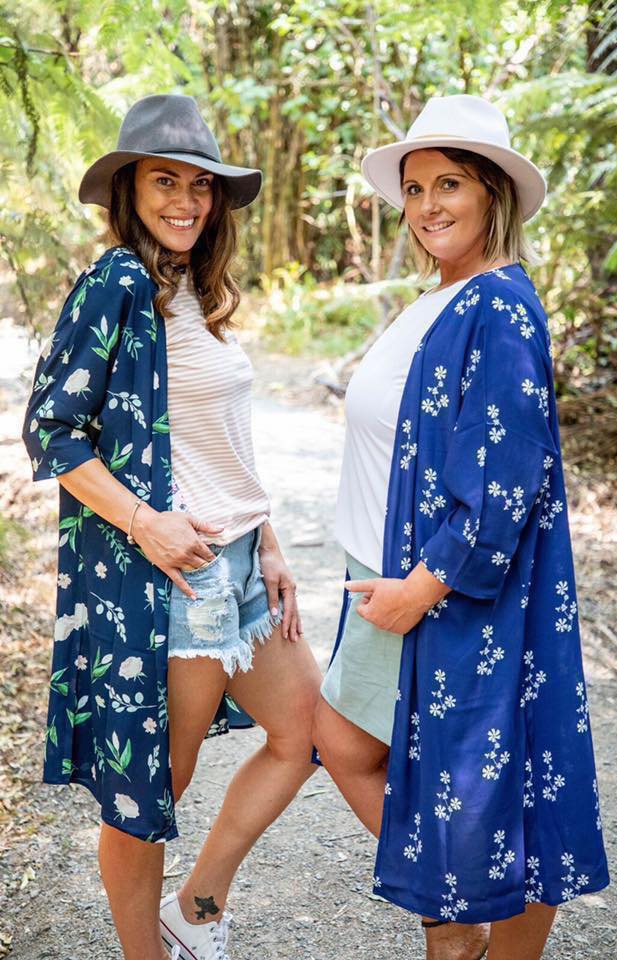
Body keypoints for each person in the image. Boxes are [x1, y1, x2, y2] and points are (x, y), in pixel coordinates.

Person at [23, 94, 321, 960]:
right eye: (165, 181)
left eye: (200, 184)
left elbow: (222, 437)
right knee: (153, 792)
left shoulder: (198, 289)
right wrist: (145, 522)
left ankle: (194, 908)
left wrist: (268, 539)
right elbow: (51, 429)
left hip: (240, 560)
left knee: (308, 732)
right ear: (130, 190)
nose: (186, 200)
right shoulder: (117, 282)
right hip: (179, 576)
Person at [313, 94, 609, 960]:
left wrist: (423, 587)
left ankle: (467, 936)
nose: (427, 204)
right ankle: (457, 927)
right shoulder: (444, 295)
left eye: (449, 183)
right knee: (366, 748)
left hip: (439, 583)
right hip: (389, 569)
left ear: (493, 194)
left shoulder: (498, 306)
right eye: (414, 188)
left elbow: (507, 474)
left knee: (496, 779)